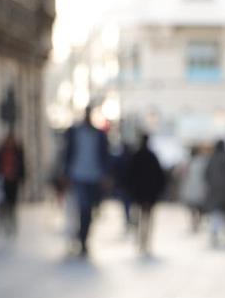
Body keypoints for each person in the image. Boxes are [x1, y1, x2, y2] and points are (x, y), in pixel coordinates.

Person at [59, 105, 112, 255]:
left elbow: (104, 156)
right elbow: (67, 153)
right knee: (81, 207)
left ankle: (84, 236)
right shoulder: (74, 132)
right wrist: (65, 173)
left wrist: (105, 175)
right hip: (77, 175)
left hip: (94, 176)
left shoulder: (99, 135)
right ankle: (81, 238)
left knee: (89, 210)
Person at [124, 132, 168, 255]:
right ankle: (144, 240)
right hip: (148, 193)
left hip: (139, 193)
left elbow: (129, 175)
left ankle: (141, 240)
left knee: (139, 217)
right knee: (146, 218)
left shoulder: (137, 156)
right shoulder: (151, 157)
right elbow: (160, 177)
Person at [0, 128, 26, 236]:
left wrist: (22, 178)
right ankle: (3, 221)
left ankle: (12, 223)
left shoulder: (18, 151)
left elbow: (22, 166)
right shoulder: (0, 151)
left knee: (12, 204)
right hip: (2, 181)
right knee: (3, 203)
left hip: (14, 181)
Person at [181, 145, 207, 231]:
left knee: (193, 207)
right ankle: (196, 222)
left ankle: (194, 223)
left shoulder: (189, 162)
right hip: (199, 188)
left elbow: (183, 175)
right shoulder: (202, 162)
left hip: (191, 188)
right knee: (198, 207)